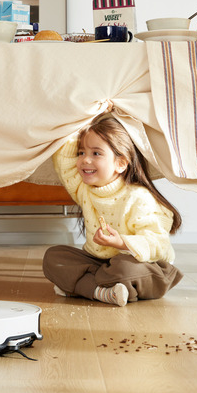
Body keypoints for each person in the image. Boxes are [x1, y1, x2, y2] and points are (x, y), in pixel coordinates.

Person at [43, 115, 183, 307]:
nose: (85, 160)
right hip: (100, 263)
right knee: (53, 258)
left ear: (121, 163)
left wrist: (121, 242)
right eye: (81, 153)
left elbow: (158, 244)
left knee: (124, 268)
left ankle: (81, 285)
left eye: (96, 154)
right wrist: (86, 116)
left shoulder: (138, 197)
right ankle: (102, 292)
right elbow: (63, 158)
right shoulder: (83, 189)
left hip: (144, 265)